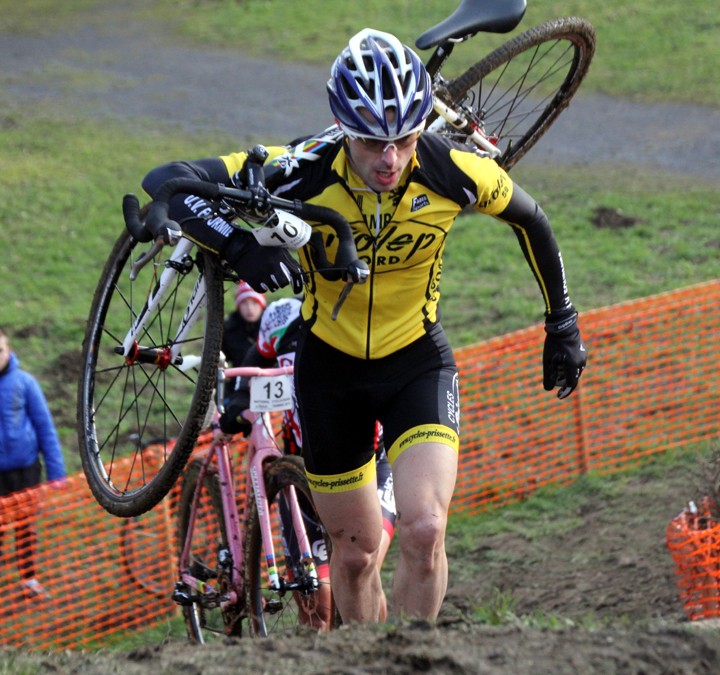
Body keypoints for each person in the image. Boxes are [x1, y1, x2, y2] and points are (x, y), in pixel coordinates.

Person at [141, 28, 587, 623]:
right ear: (341, 126)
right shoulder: (301, 169)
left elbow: (532, 220)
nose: (390, 159)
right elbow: (169, 180)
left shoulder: (450, 170)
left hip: (417, 362)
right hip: (330, 375)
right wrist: (242, 248)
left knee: (425, 529)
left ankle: (414, 659)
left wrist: (563, 324)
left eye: (404, 138)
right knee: (354, 559)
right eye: (373, 142)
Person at [220, 296, 396, 626]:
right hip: (302, 472)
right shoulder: (282, 314)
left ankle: (376, 654)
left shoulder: (361, 309)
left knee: (361, 567)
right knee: (318, 606)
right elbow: (254, 360)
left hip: (371, 464)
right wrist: (239, 402)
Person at [0, 328, 67, 600]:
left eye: (0, 351)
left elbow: (45, 428)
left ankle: (29, 580)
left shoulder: (24, 383)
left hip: (26, 470)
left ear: (9, 351)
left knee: (25, 527)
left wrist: (57, 473)